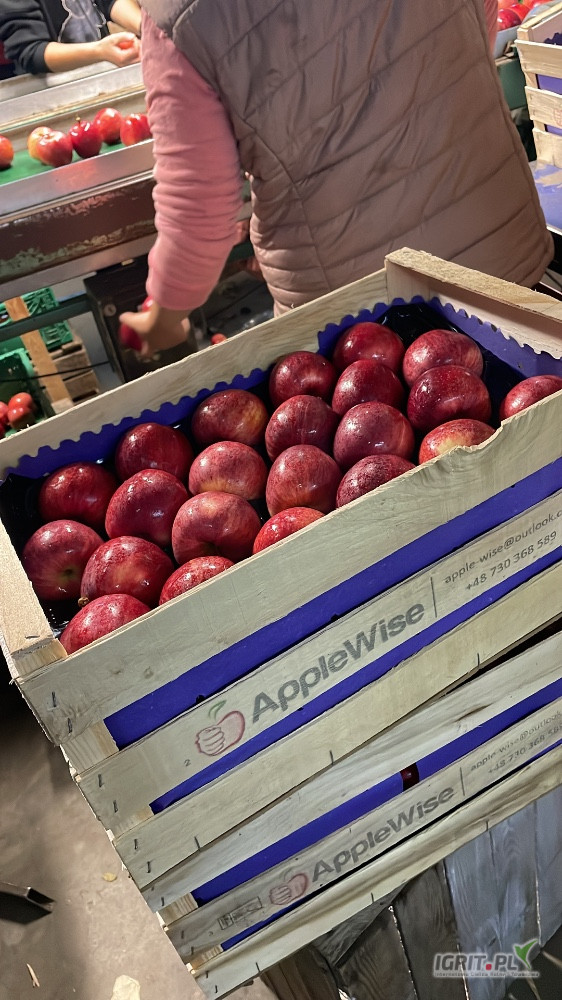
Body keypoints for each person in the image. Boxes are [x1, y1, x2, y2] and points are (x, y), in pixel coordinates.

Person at [120, 0, 554, 358]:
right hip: (499, 258)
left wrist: (161, 320)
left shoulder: (179, 16)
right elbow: (475, 35)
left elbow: (198, 214)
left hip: (365, 320)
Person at [0, 0, 141, 76]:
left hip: (102, 74)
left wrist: (144, 27)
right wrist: (99, 51)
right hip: (51, 94)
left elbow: (109, 2)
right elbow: (31, 51)